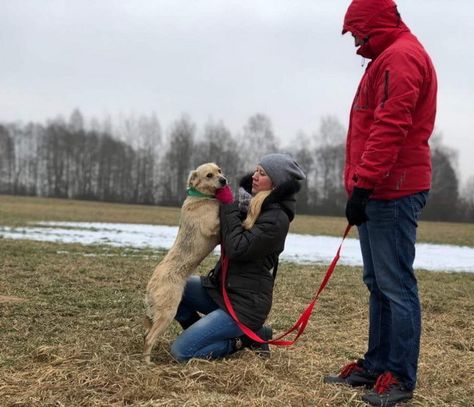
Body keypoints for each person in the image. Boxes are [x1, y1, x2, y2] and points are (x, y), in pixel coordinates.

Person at [324, 0, 437, 406]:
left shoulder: (401, 58)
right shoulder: (386, 57)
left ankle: (400, 379)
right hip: (377, 190)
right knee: (378, 284)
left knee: (396, 285)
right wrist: (360, 187)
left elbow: (390, 126)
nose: (354, 40)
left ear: (370, 25)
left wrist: (365, 186)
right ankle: (377, 367)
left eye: (356, 32)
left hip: (393, 190)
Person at [170, 153, 306, 361]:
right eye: (256, 170)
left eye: (262, 173)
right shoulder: (249, 204)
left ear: (276, 184)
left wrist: (228, 206)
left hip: (244, 306)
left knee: (182, 353)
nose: (254, 176)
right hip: (221, 289)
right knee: (175, 287)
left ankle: (243, 340)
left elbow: (237, 247)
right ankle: (200, 333)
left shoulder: (276, 219)